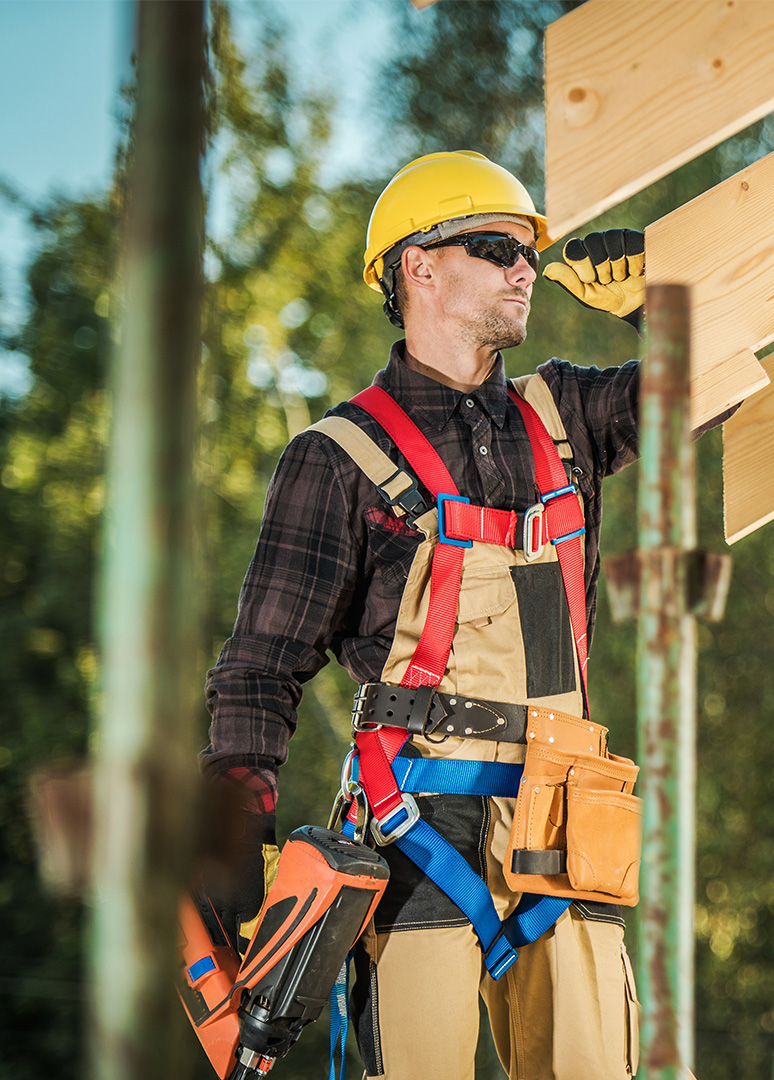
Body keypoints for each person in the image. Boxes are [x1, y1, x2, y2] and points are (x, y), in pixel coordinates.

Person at [202, 150, 662, 1079]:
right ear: (417, 266)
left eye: (529, 248)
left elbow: (717, 387)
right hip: (419, 820)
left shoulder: (566, 413)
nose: (524, 266)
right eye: (495, 246)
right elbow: (261, 667)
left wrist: (671, 310)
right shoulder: (335, 457)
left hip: (567, 817)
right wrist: (228, 846)